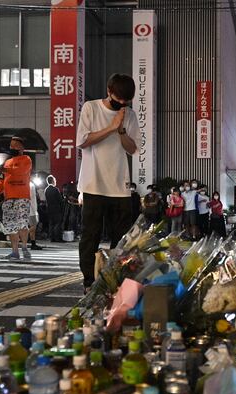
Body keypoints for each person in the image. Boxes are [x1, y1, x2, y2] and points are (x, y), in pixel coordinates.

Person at [76, 73, 141, 289]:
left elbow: (132, 149)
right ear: (109, 91)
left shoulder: (129, 115)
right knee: (90, 235)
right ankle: (88, 281)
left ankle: (115, 280)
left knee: (121, 239)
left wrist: (121, 129)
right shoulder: (91, 108)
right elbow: (83, 141)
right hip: (93, 183)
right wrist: (111, 127)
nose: (121, 104)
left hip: (119, 185)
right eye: (117, 99)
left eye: (126, 101)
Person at [0, 136, 33, 261]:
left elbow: (19, 171)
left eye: (15, 145)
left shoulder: (26, 159)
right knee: (11, 225)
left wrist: (2, 168)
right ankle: (15, 251)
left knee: (22, 223)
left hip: (22, 196)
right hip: (8, 197)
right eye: (11, 145)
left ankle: (24, 247)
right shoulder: (8, 162)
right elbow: (2, 182)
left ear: (21, 147)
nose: (12, 148)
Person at [45, 175, 64, 242]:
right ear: (53, 181)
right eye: (55, 180)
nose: (55, 181)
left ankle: (52, 238)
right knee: (57, 223)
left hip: (49, 209)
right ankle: (58, 238)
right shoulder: (55, 189)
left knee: (51, 224)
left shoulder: (46, 189)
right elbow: (60, 200)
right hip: (56, 209)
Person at [28, 180, 43, 250]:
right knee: (33, 227)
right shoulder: (31, 185)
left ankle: (33, 243)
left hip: (29, 208)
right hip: (32, 209)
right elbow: (32, 197)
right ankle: (21, 235)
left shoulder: (27, 184)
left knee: (33, 228)